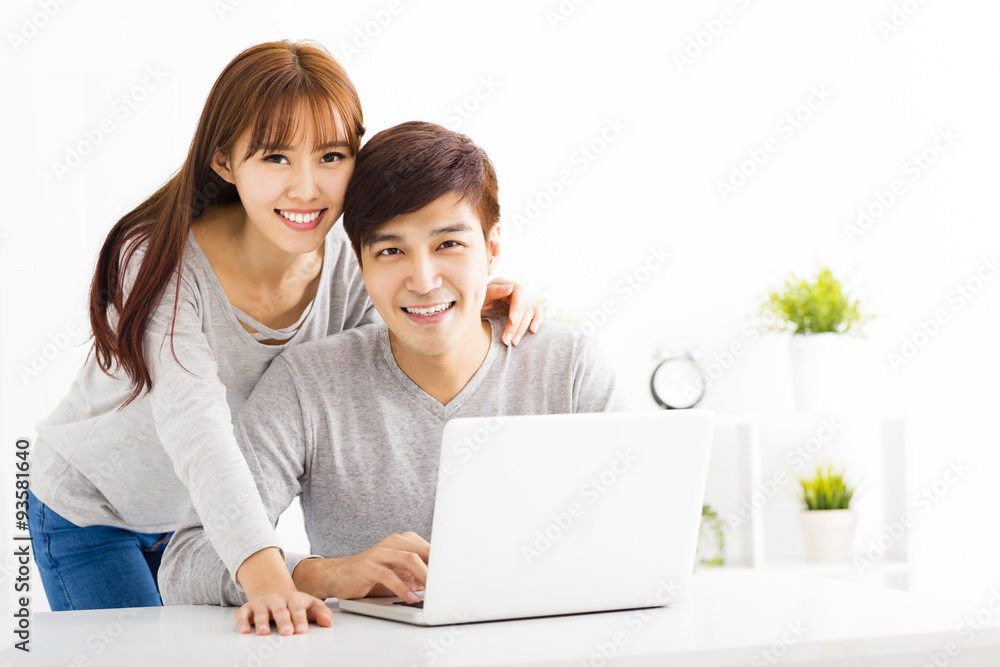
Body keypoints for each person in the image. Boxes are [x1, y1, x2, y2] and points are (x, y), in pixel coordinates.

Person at [26, 41, 539, 633]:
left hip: (207, 529)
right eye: (275, 157)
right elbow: (196, 428)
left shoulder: (349, 265)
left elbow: (388, 371)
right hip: (95, 512)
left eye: (331, 155)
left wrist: (464, 303)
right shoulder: (161, 258)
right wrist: (270, 577)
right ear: (224, 162)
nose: (307, 188)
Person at [158, 121, 624, 626]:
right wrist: (328, 575)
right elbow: (187, 561)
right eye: (391, 251)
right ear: (359, 264)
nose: (423, 281)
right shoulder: (308, 385)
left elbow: (643, 531)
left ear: (491, 250)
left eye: (449, 245)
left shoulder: (568, 366)